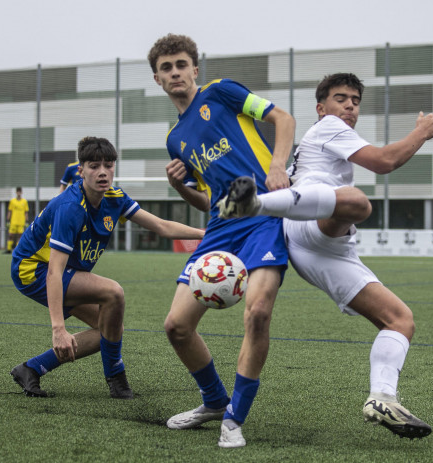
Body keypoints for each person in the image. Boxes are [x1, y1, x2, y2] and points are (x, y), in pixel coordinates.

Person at [219, 73, 433, 439]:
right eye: (341, 98)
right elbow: (384, 161)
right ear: (322, 109)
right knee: (356, 201)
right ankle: (255, 205)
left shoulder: (316, 146)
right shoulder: (328, 128)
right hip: (310, 227)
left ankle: (382, 397)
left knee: (400, 320)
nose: (350, 105)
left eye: (355, 100)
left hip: (320, 246)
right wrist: (421, 131)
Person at [148, 33, 296, 448]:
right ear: (157, 79)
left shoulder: (223, 92)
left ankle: (234, 418)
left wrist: (278, 165)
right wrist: (179, 187)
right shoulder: (175, 139)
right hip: (221, 227)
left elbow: (283, 118)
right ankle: (214, 401)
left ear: (195, 69)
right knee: (176, 326)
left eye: (181, 64)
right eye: (166, 68)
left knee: (258, 312)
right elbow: (208, 201)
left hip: (264, 215)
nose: (175, 72)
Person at [9, 136, 205, 399]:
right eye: (93, 166)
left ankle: (31, 368)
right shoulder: (70, 207)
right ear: (80, 171)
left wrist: (206, 234)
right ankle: (117, 380)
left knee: (110, 329)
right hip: (33, 269)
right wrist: (58, 329)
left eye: (108, 165)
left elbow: (161, 226)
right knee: (113, 292)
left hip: (60, 271)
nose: (102, 172)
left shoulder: (115, 198)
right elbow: (55, 271)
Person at [4, 187, 29, 254]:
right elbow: (10, 211)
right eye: (17, 192)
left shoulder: (24, 202)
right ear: (16, 192)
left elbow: (26, 212)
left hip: (21, 222)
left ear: (21, 192)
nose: (19, 193)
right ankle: (9, 249)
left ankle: (18, 250)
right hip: (13, 222)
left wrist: (26, 221)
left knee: (19, 236)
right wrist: (7, 220)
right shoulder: (12, 201)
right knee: (10, 235)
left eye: (20, 192)